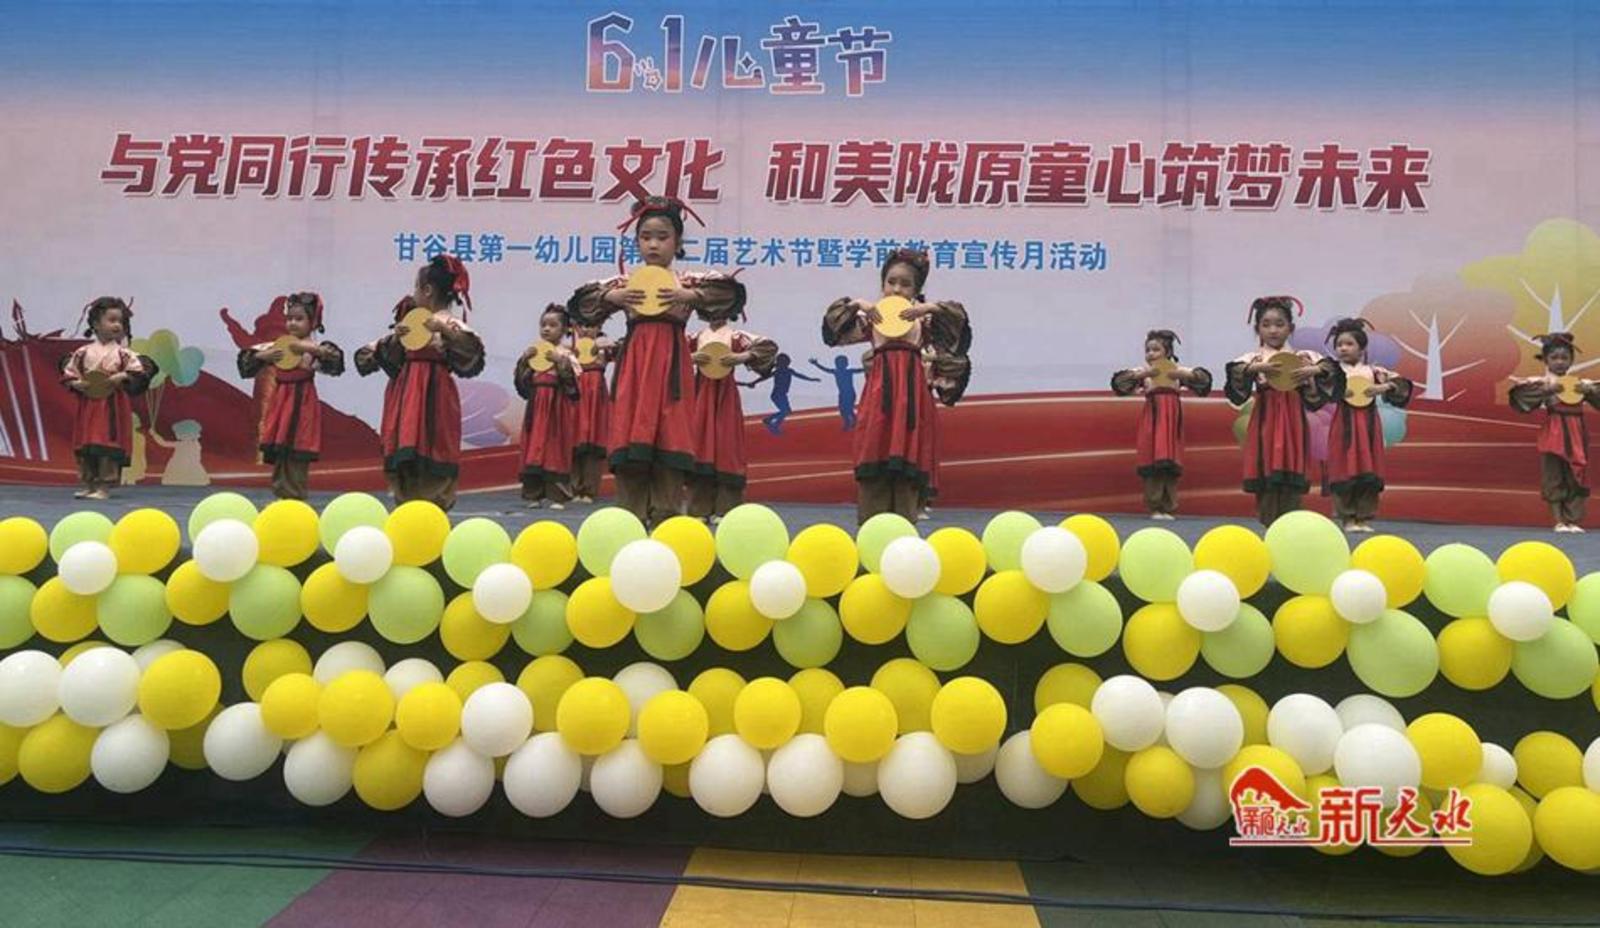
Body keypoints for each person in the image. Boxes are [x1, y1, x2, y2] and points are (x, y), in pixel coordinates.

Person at [567, 196, 746, 525]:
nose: (653, 244)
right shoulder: (625, 283)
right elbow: (582, 301)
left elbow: (729, 293)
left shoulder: (686, 281)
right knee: (631, 437)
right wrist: (612, 297)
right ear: (637, 242)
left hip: (672, 368)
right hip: (635, 366)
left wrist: (691, 296)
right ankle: (630, 519)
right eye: (645, 237)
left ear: (677, 242)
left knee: (670, 436)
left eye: (662, 237)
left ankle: (666, 519)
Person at [822, 248, 972, 523]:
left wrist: (930, 308)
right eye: (891, 282)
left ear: (916, 289)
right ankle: (871, 526)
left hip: (912, 395)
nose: (897, 289)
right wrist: (858, 305)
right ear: (882, 284)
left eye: (906, 284)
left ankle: (904, 525)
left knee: (908, 450)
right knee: (874, 445)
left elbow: (957, 323)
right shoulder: (873, 318)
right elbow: (834, 331)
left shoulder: (923, 320)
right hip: (879, 393)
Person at [355, 255, 485, 510]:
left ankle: (431, 513)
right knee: (405, 450)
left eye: (416, 287)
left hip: (434, 395)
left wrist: (443, 330)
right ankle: (407, 509)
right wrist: (395, 339)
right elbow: (366, 356)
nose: (413, 293)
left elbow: (472, 352)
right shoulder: (410, 324)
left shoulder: (449, 323)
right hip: (405, 396)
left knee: (434, 447)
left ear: (427, 290)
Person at [1224, 296, 1329, 525]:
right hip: (1266, 418)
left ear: (1290, 328)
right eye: (1266, 324)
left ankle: (1291, 524)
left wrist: (1312, 373)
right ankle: (1268, 522)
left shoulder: (1303, 357)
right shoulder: (1253, 358)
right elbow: (1236, 374)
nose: (1273, 330)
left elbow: (1328, 372)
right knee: (1267, 466)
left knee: (1291, 466)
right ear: (1258, 329)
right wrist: (1255, 369)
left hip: (1293, 418)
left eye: (1279, 324)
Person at [235, 292, 344, 499]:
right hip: (280, 403)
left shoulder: (314, 348)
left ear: (313, 322)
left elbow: (333, 360)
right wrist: (264, 356)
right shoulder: (279, 346)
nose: (293, 323)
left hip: (302, 404)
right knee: (281, 454)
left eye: (299, 319)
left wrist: (304, 347)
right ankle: (282, 496)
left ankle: (295, 498)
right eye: (290, 318)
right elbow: (247, 360)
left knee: (297, 453)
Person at [1316, 317, 1412, 532]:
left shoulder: (1373, 371)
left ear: (1361, 348)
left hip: (1368, 425)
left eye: (1349, 344)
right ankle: (1347, 517)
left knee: (1368, 467)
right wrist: (1340, 390)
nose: (1343, 348)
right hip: (1345, 425)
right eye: (1339, 344)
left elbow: (1400, 384)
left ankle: (1363, 517)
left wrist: (1382, 388)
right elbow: (1323, 386)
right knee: (1344, 467)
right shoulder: (1334, 371)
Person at [59, 297, 156, 499]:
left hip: (112, 407)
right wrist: (77, 383)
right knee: (87, 444)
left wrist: (121, 376)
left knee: (106, 444)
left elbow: (138, 372)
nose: (117, 325)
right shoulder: (82, 352)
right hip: (89, 406)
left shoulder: (123, 354)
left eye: (120, 321)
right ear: (96, 324)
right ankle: (89, 484)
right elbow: (70, 373)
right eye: (111, 320)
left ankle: (103, 487)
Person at [1110, 329, 1213, 519]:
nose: (1151, 354)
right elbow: (1119, 384)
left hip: (1172, 425)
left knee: (1170, 465)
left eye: (1156, 349)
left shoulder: (1176, 372)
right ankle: (1155, 507)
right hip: (1153, 423)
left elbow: (1203, 381)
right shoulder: (1145, 374)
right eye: (1148, 350)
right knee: (1153, 464)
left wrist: (1182, 373)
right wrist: (1142, 374)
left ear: (1168, 351)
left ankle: (1169, 507)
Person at [687, 306, 777, 521]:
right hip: (700, 393)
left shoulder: (736, 336)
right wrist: (691, 357)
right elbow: (671, 352)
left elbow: (768, 347)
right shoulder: (696, 337)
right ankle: (698, 509)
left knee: (727, 446)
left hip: (726, 394)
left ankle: (726, 510)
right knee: (699, 446)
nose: (716, 313)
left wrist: (743, 356)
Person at [1509, 332, 1600, 532]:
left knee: (1576, 474)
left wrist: (1589, 391)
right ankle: (1559, 521)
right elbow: (1523, 399)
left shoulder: (1580, 383)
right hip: (1554, 434)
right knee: (1554, 475)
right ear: (1546, 360)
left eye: (1564, 357)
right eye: (1554, 357)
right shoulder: (1544, 383)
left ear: (1571, 360)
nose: (1559, 362)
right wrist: (1549, 390)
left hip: (1577, 434)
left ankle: (1573, 521)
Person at [516, 305, 582, 508]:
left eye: (553, 325)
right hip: (536, 406)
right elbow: (522, 384)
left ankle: (557, 496)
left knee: (555, 450)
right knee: (533, 448)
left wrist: (560, 363)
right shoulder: (534, 352)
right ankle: (534, 495)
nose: (546, 329)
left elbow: (574, 385)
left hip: (556, 408)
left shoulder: (566, 354)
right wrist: (524, 362)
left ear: (564, 330)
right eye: (543, 325)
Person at [570, 320, 615, 502]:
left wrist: (606, 346)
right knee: (574, 442)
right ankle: (574, 489)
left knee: (594, 443)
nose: (586, 329)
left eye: (591, 325)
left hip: (596, 397)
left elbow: (620, 352)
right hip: (576, 396)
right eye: (583, 325)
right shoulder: (570, 349)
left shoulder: (603, 347)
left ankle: (589, 490)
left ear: (599, 327)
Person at [810, 355, 864, 430]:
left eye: (842, 363)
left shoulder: (849, 371)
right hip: (842, 394)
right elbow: (825, 369)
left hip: (850, 393)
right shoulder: (836, 372)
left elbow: (861, 370)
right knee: (843, 410)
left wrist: (871, 366)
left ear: (846, 364)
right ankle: (848, 422)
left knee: (848, 409)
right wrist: (816, 364)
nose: (840, 365)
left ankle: (852, 422)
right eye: (838, 363)